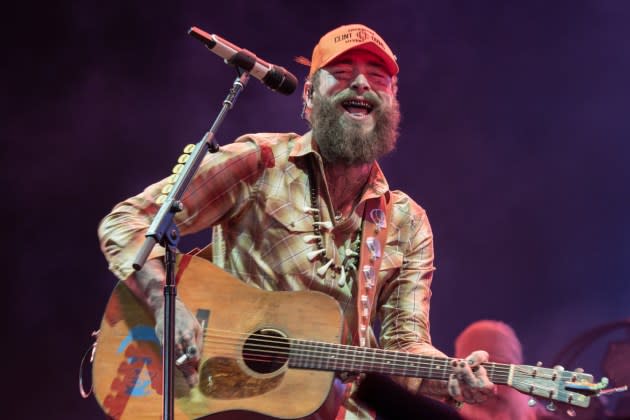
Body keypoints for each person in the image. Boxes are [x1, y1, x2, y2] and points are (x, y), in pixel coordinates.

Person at [98, 23, 496, 419]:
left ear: (392, 102)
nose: (361, 84)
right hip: (223, 401)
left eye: (378, 78)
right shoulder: (261, 163)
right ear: (308, 97)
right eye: (341, 74)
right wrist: (166, 305)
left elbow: (405, 345)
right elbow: (128, 222)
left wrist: (451, 376)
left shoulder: (407, 223)